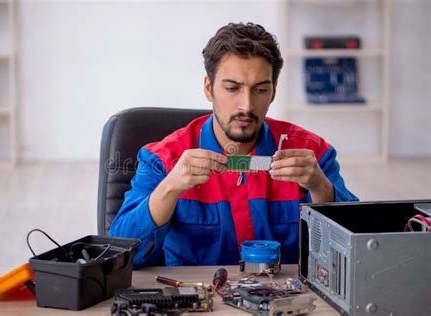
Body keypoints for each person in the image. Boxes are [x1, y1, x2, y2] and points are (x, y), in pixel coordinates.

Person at [109, 22, 358, 268]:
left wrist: (321, 188)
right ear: (209, 88)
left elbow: (359, 252)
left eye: (260, 89)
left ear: (273, 91)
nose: (247, 106)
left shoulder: (313, 154)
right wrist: (169, 189)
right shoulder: (161, 159)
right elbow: (119, 255)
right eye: (232, 88)